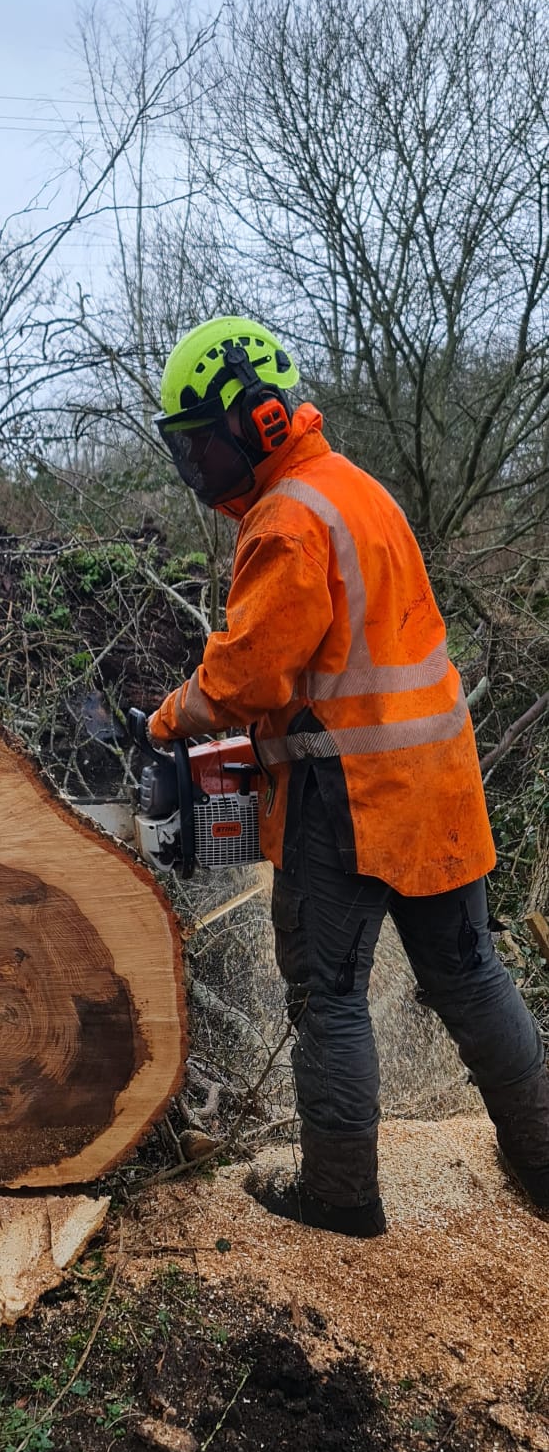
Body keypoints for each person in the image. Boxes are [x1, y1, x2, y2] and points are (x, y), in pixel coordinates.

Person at [148, 316, 549, 1238]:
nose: (198, 462)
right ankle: (543, 1161)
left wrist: (168, 721)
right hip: (437, 778)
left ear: (257, 418)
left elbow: (249, 677)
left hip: (349, 793)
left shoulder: (288, 520)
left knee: (327, 994)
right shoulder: (356, 491)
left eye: (204, 441)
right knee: (469, 976)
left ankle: (339, 1197)